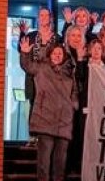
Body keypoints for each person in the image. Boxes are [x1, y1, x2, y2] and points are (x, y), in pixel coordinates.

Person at [18, 42, 77, 181]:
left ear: (64, 56)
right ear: (50, 54)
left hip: (64, 122)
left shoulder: (69, 73)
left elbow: (74, 92)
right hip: (45, 120)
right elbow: (27, 66)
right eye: (55, 53)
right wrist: (25, 53)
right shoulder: (42, 68)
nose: (57, 55)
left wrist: (73, 105)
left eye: (60, 53)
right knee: (44, 163)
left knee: (60, 164)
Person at [17, 8, 60, 144]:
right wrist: (22, 34)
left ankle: (46, 137)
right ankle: (33, 137)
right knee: (34, 105)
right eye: (41, 15)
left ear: (50, 18)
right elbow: (22, 50)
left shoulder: (57, 37)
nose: (44, 17)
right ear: (38, 18)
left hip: (50, 79)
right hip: (33, 78)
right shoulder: (31, 36)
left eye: (46, 15)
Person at [67, 39, 104, 174]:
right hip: (85, 107)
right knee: (83, 136)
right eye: (94, 48)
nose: (96, 51)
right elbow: (79, 78)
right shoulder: (84, 65)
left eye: (99, 48)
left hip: (101, 109)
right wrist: (80, 59)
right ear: (89, 50)